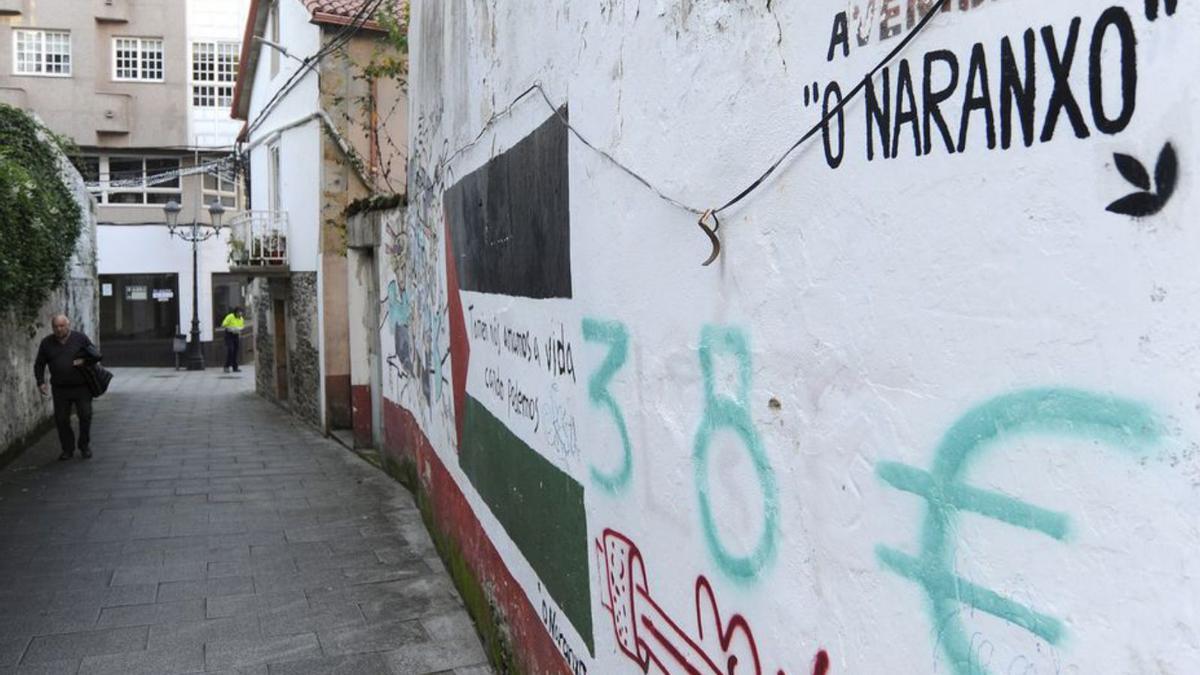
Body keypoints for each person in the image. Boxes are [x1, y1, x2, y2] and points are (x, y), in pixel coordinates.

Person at [34, 314, 100, 461]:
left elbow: (95, 355)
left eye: (62, 326)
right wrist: (40, 382)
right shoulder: (47, 343)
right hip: (60, 388)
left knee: (85, 415)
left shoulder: (80, 338)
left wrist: (83, 360)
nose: (59, 329)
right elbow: (39, 364)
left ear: (68, 325)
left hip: (82, 387)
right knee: (61, 420)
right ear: (52, 328)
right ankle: (67, 449)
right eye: (56, 327)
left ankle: (84, 446)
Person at [221, 306, 245, 373]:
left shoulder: (241, 319)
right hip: (229, 335)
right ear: (235, 312)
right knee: (230, 350)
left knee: (235, 352)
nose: (240, 314)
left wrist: (239, 329)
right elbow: (223, 324)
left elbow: (242, 326)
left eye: (241, 313)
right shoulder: (230, 316)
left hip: (236, 335)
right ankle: (226, 366)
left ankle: (235, 367)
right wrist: (230, 328)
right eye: (239, 312)